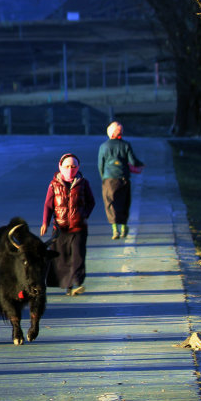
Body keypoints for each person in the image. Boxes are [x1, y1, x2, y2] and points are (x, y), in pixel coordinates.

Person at [40, 153, 96, 296]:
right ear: (60, 167)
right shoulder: (54, 184)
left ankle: (76, 284)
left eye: (73, 166)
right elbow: (48, 205)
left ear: (78, 167)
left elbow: (91, 202)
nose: (70, 169)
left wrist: (83, 215)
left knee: (78, 256)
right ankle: (67, 286)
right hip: (60, 228)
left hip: (79, 228)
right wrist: (45, 222)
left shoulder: (83, 183)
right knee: (61, 257)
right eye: (67, 166)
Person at [97, 121, 144, 240]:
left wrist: (103, 177)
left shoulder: (103, 146)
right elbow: (133, 161)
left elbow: (100, 164)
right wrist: (141, 165)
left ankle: (114, 229)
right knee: (124, 202)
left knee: (110, 203)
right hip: (123, 178)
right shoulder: (126, 145)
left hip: (109, 178)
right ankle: (123, 227)